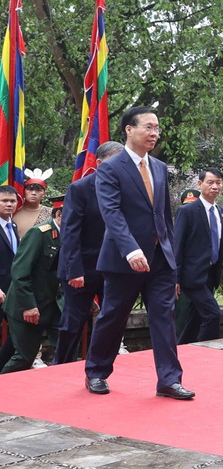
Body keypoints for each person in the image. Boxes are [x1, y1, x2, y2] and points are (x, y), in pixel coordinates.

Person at [84, 106, 193, 400]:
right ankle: (96, 371)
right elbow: (112, 213)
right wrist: (130, 248)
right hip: (124, 259)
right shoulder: (110, 168)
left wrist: (170, 252)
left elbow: (163, 216)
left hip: (160, 259)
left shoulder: (158, 167)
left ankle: (169, 380)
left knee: (163, 317)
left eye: (157, 128)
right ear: (129, 130)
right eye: (148, 127)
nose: (154, 133)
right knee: (113, 316)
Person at [53, 141, 125, 365]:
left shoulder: (126, 188)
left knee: (112, 320)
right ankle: (61, 365)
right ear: (101, 163)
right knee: (72, 323)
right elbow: (70, 233)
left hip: (113, 267)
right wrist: (74, 270)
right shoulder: (80, 188)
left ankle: (100, 364)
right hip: (82, 267)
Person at [173, 167, 223, 344]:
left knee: (198, 317)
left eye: (218, 183)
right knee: (213, 313)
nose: (215, 186)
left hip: (211, 275)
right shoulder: (187, 212)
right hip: (191, 276)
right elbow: (178, 246)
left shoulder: (221, 213)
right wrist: (175, 277)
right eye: (210, 182)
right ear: (200, 184)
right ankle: (208, 352)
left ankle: (183, 348)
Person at [1, 196, 64, 373]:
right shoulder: (39, 233)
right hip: (27, 305)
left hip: (54, 305)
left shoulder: (72, 235)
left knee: (67, 351)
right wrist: (29, 306)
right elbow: (20, 272)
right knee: (24, 357)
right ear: (59, 215)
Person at [0, 186, 21, 370]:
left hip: (13, 290)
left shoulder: (12, 225)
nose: (9, 204)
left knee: (19, 333)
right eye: (4, 201)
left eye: (12, 201)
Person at [13, 168, 53, 238]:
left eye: (38, 190)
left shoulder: (51, 213)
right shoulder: (13, 211)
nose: (34, 193)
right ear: (24, 191)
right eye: (30, 189)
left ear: (44, 193)